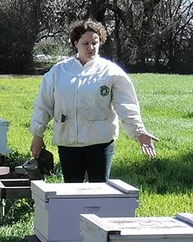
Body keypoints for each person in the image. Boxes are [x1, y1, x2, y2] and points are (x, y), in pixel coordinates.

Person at [30, 19, 158, 182]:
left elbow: (126, 105)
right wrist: (37, 135)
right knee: (72, 193)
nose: (91, 48)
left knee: (99, 193)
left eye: (95, 43)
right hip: (69, 144)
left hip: (100, 144)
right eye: (85, 43)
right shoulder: (59, 71)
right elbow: (43, 105)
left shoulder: (111, 72)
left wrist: (139, 132)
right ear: (76, 43)